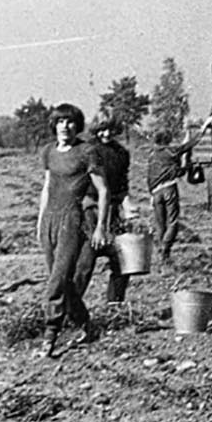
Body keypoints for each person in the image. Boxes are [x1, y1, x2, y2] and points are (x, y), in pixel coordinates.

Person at [36, 103, 110, 357]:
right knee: (63, 281)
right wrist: (40, 221)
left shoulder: (86, 151)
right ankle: (86, 325)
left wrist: (100, 227)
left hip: (73, 219)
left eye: (70, 122)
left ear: (77, 125)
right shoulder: (48, 151)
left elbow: (103, 190)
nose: (64, 126)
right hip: (50, 219)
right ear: (54, 125)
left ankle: (50, 334)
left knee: (56, 280)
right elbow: (47, 187)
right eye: (60, 121)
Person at [75, 115, 133, 304]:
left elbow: (123, 184)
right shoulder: (88, 150)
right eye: (102, 129)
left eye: (110, 129)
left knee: (123, 259)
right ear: (95, 130)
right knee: (85, 261)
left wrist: (128, 205)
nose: (107, 134)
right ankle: (71, 307)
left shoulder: (121, 153)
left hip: (113, 211)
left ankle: (114, 304)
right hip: (90, 209)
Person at [148, 119, 212, 261]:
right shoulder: (171, 151)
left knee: (160, 224)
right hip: (169, 189)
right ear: (167, 139)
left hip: (156, 191)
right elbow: (188, 145)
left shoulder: (153, 154)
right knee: (172, 222)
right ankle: (165, 249)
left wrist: (151, 193)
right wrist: (201, 130)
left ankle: (162, 253)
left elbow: (150, 175)